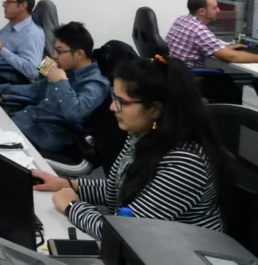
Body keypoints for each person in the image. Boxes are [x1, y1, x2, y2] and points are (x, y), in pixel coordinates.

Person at [31, 55, 227, 240]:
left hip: (182, 253)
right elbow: (117, 189)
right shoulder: (142, 134)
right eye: (113, 97)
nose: (112, 108)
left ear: (155, 110)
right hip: (152, 244)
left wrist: (72, 206)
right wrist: (68, 184)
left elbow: (126, 233)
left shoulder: (185, 163)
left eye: (122, 102)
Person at [0, 22, 109, 152]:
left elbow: (74, 112)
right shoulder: (67, 71)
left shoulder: (96, 83)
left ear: (79, 54)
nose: (55, 56)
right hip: (24, 122)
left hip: (41, 136)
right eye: (54, 51)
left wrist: (61, 81)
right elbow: (32, 90)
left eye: (59, 51)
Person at [166, 0, 258, 67]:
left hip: (175, 77)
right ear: (202, 11)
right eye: (214, 8)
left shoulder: (181, 20)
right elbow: (231, 57)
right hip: (190, 80)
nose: (219, 10)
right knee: (232, 88)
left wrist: (224, 47)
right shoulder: (199, 30)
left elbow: (203, 45)